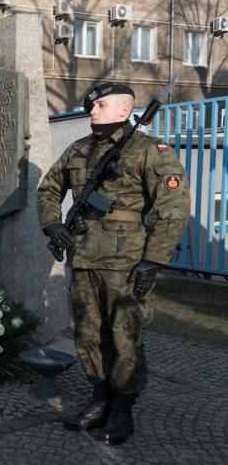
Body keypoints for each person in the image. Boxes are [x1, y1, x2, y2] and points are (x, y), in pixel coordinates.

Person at [37, 83, 190, 446]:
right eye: (91, 106)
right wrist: (52, 222)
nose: (92, 111)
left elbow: (173, 207)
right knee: (89, 335)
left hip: (126, 263)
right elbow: (49, 189)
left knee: (125, 336)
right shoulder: (78, 149)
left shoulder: (148, 150)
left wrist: (154, 259)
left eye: (101, 105)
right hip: (84, 258)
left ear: (124, 111)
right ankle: (99, 400)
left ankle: (123, 408)